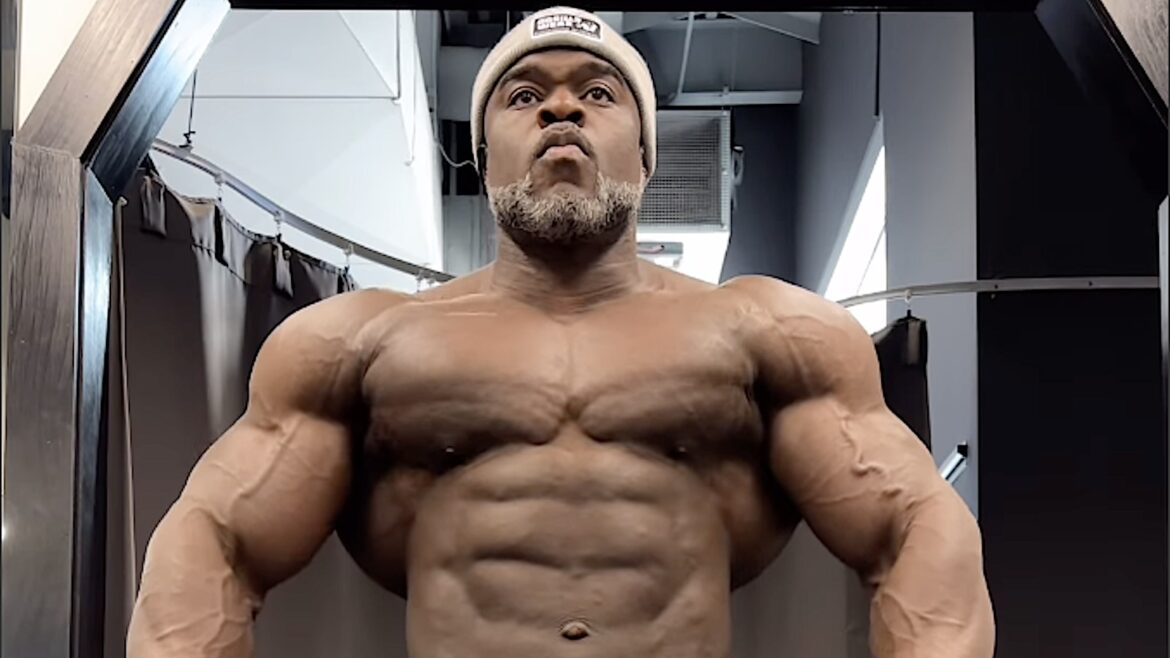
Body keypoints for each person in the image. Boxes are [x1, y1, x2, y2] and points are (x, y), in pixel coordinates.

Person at [126, 6, 994, 657]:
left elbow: (917, 527)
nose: (561, 111)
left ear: (646, 154)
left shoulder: (769, 332)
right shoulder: (358, 345)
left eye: (599, 93)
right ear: (484, 156)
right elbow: (214, 541)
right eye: (525, 96)